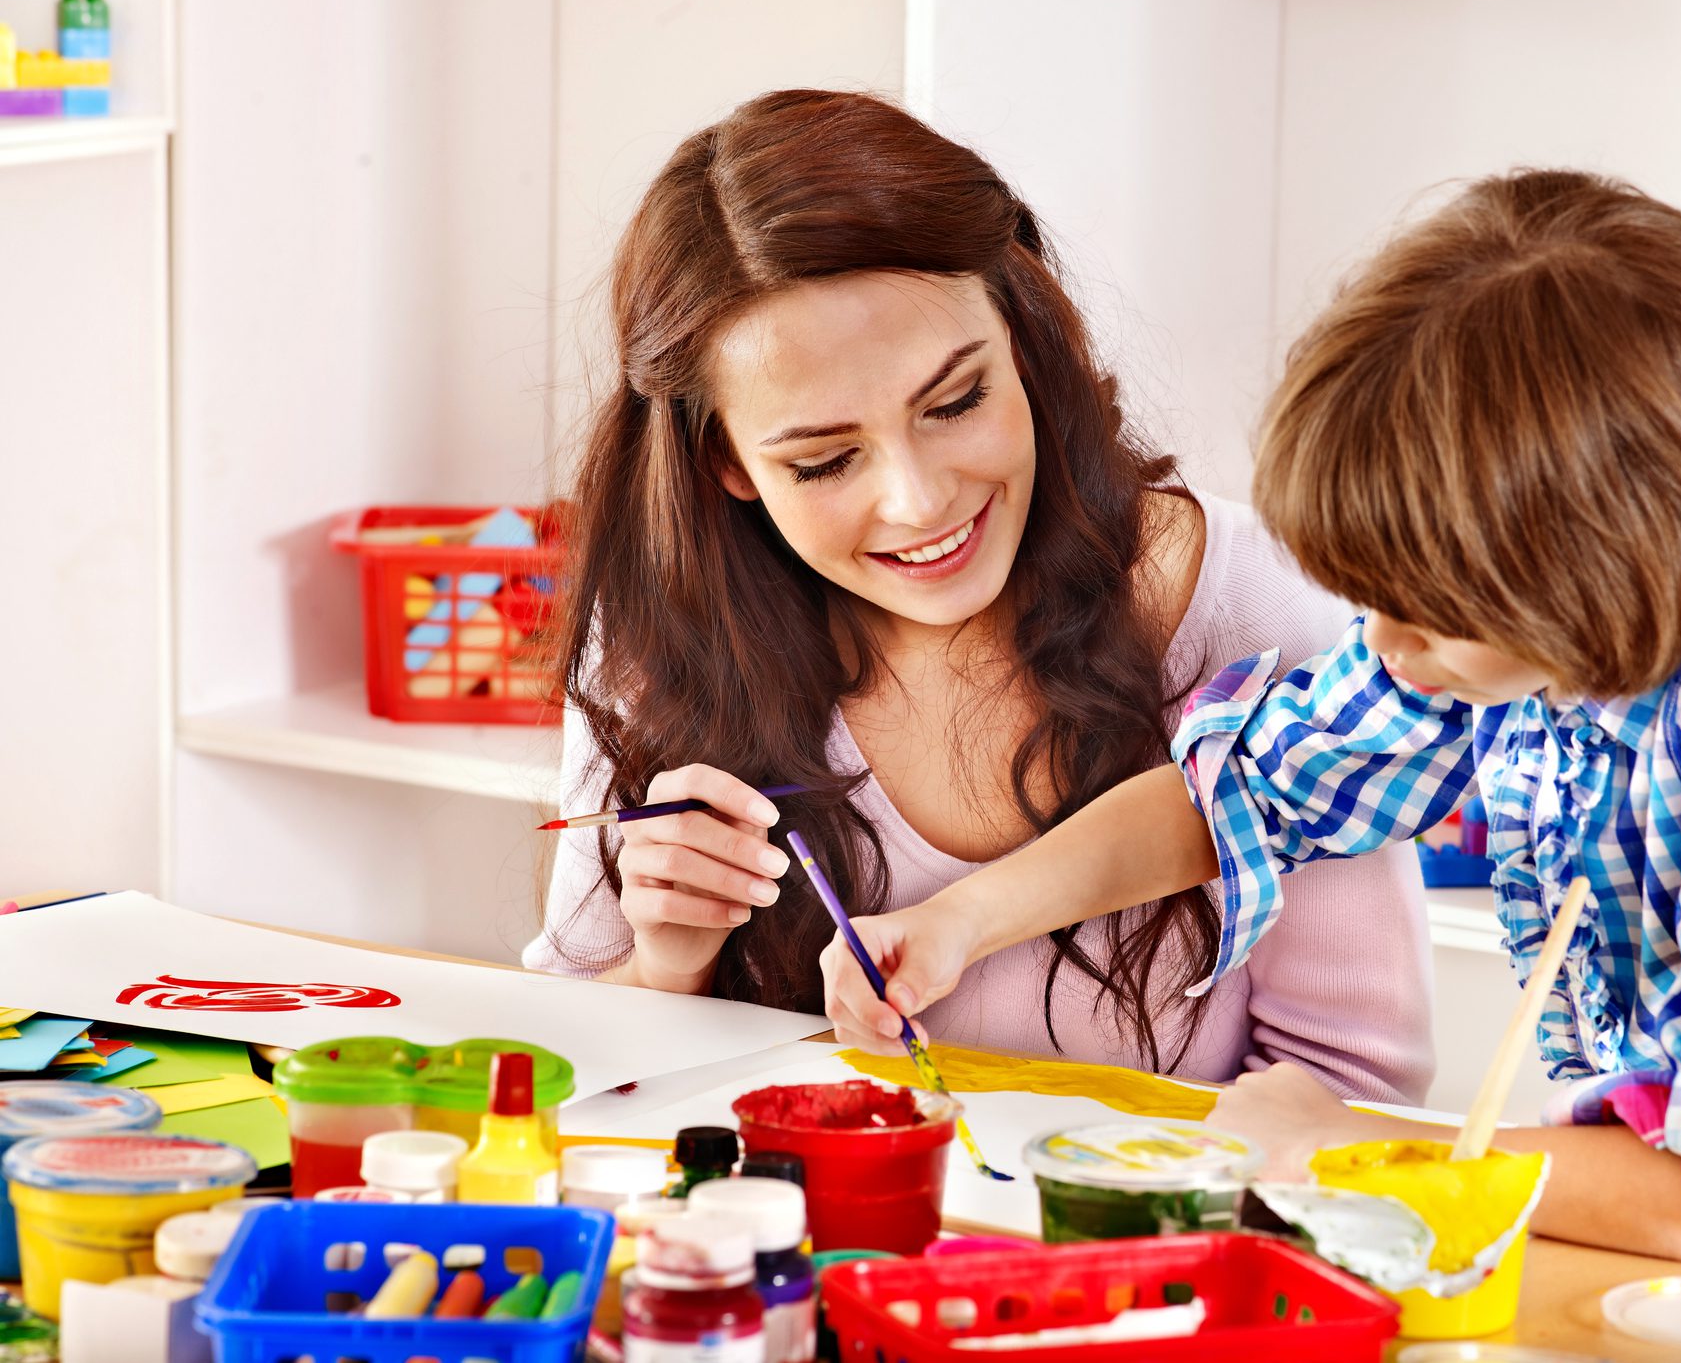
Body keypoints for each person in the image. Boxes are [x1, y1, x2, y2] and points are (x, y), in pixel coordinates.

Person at [820, 171, 1681, 1322]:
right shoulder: (1505, 620)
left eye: (1419, 615)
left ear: (1596, 575)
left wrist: (1342, 1142)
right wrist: (960, 923)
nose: (1378, 645)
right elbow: (1242, 797)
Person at [522, 88, 1432, 1097]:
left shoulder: (1252, 609)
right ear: (725, 464)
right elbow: (573, 1091)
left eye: (954, 402)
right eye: (823, 461)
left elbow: (1357, 1098)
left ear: (1024, 341)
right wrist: (666, 964)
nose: (916, 503)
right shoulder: (660, 632)